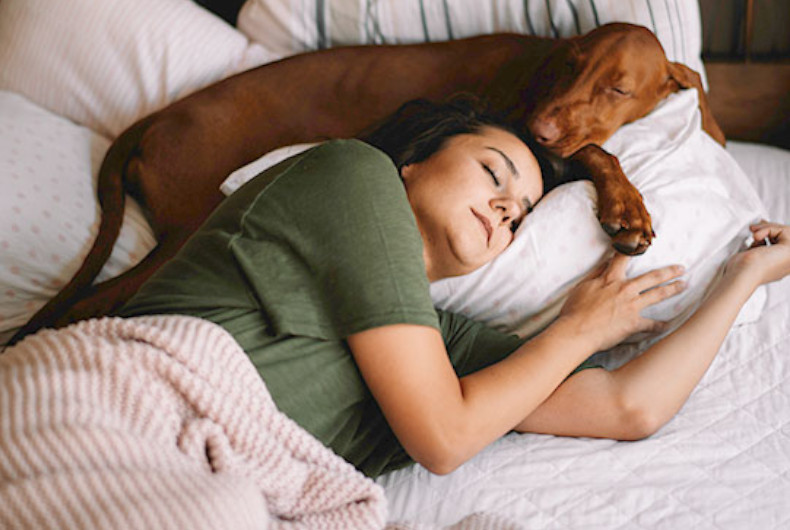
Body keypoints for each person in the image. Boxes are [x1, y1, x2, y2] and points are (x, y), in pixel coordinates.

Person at [119, 95, 790, 478]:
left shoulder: (441, 353)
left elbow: (628, 408)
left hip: (208, 489)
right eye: (493, 173)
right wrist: (579, 330)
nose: (505, 208)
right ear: (413, 163)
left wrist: (744, 276)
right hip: (124, 407)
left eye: (521, 216)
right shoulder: (351, 175)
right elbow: (443, 437)